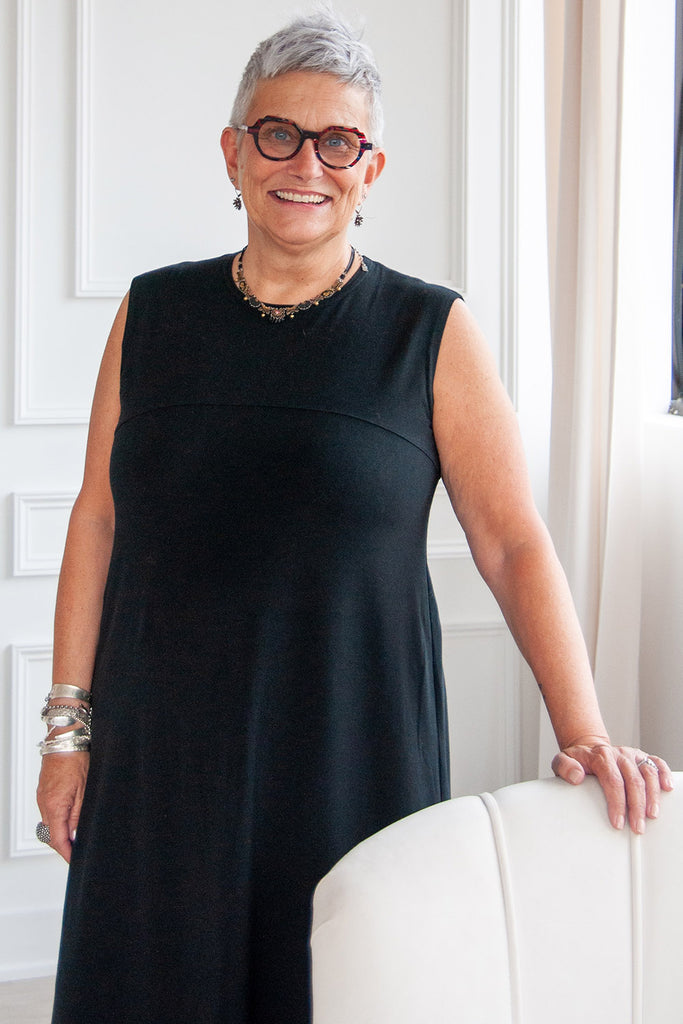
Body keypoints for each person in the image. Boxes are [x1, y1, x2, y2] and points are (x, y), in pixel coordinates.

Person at [36, 10, 673, 1024]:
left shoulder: (428, 329)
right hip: (162, 747)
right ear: (234, 153)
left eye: (339, 142)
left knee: (338, 985)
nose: (306, 163)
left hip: (346, 739)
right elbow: (98, 518)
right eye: (279, 133)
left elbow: (510, 543)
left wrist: (583, 727)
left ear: (369, 171)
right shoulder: (152, 312)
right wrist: (66, 734)